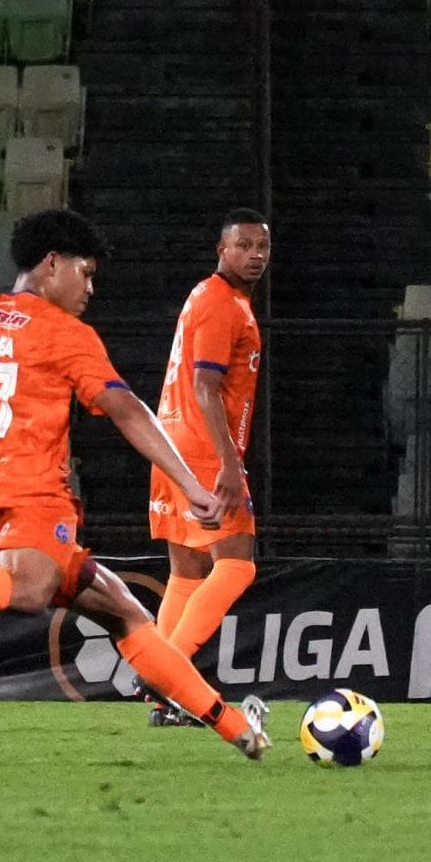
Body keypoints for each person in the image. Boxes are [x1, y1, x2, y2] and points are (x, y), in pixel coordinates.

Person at [0, 209, 273, 759]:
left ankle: (238, 729)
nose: (90, 288)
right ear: (51, 264)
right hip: (37, 498)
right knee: (29, 590)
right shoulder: (64, 333)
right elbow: (126, 408)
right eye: (85, 274)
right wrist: (190, 483)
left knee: (123, 612)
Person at [146, 210, 271, 727]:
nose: (255, 255)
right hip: (201, 449)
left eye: (262, 246)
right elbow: (206, 386)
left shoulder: (205, 295)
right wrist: (229, 463)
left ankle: (163, 700)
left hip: (171, 442)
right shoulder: (224, 306)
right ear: (221, 249)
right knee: (238, 564)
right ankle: (163, 673)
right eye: (244, 245)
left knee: (186, 572)